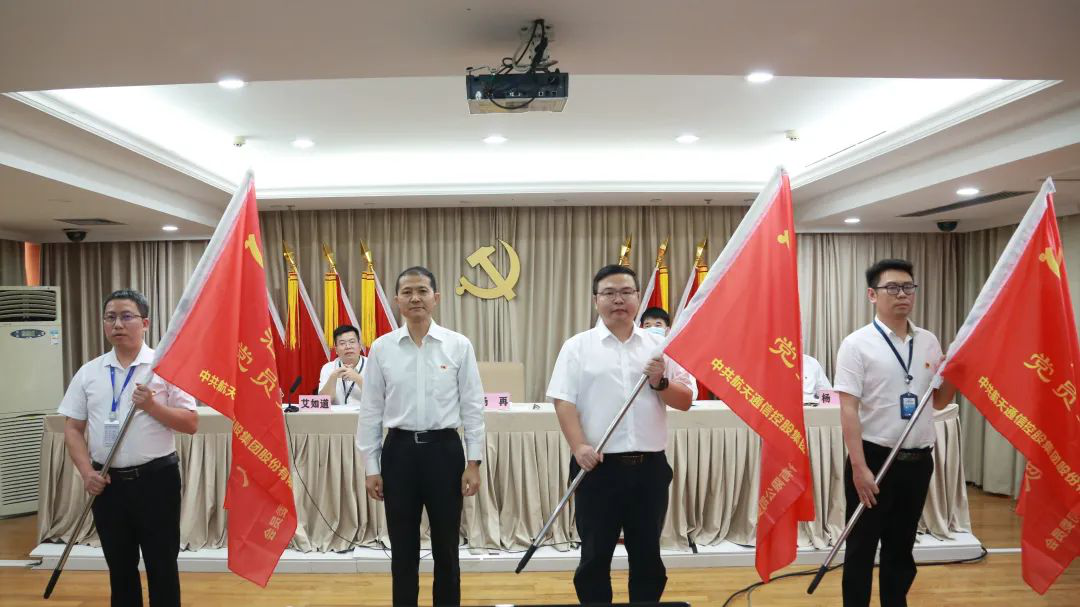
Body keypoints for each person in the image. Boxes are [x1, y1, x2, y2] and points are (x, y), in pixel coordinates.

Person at [548, 264, 695, 604]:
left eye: (626, 292)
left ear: (638, 298)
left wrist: (660, 381)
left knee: (647, 556)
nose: (619, 300)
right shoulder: (578, 347)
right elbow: (563, 401)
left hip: (649, 469)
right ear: (595, 300)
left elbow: (686, 400)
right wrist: (579, 446)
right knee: (594, 555)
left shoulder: (661, 346)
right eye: (610, 293)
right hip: (597, 469)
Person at [58, 289, 198, 607]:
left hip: (156, 482)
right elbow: (73, 428)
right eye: (110, 317)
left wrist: (152, 406)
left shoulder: (165, 367)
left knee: (162, 565)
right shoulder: (89, 372)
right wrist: (86, 472)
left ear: (145, 323)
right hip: (107, 484)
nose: (117, 324)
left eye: (126, 316)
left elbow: (190, 423)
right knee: (120, 568)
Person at [356, 266, 485, 606]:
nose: (415, 298)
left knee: (447, 547)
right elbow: (370, 411)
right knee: (402, 549)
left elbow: (473, 407)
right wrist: (372, 467)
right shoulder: (382, 348)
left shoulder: (458, 345)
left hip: (445, 452)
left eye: (422, 291)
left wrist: (474, 463)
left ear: (436, 298)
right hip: (398, 453)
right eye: (408, 292)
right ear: (397, 300)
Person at [834, 259, 956, 607]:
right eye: (892, 288)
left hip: (917, 460)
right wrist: (859, 467)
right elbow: (848, 408)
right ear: (872, 294)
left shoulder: (928, 341)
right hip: (875, 459)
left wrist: (954, 373)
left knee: (901, 547)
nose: (902, 294)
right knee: (861, 546)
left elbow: (938, 402)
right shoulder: (856, 344)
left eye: (908, 287)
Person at [318, 324, 366, 406]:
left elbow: (379, 397)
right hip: (337, 414)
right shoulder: (328, 368)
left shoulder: (372, 365)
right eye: (342, 343)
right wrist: (333, 377)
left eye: (352, 342)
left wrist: (358, 378)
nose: (348, 347)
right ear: (336, 350)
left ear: (360, 346)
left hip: (364, 413)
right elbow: (322, 402)